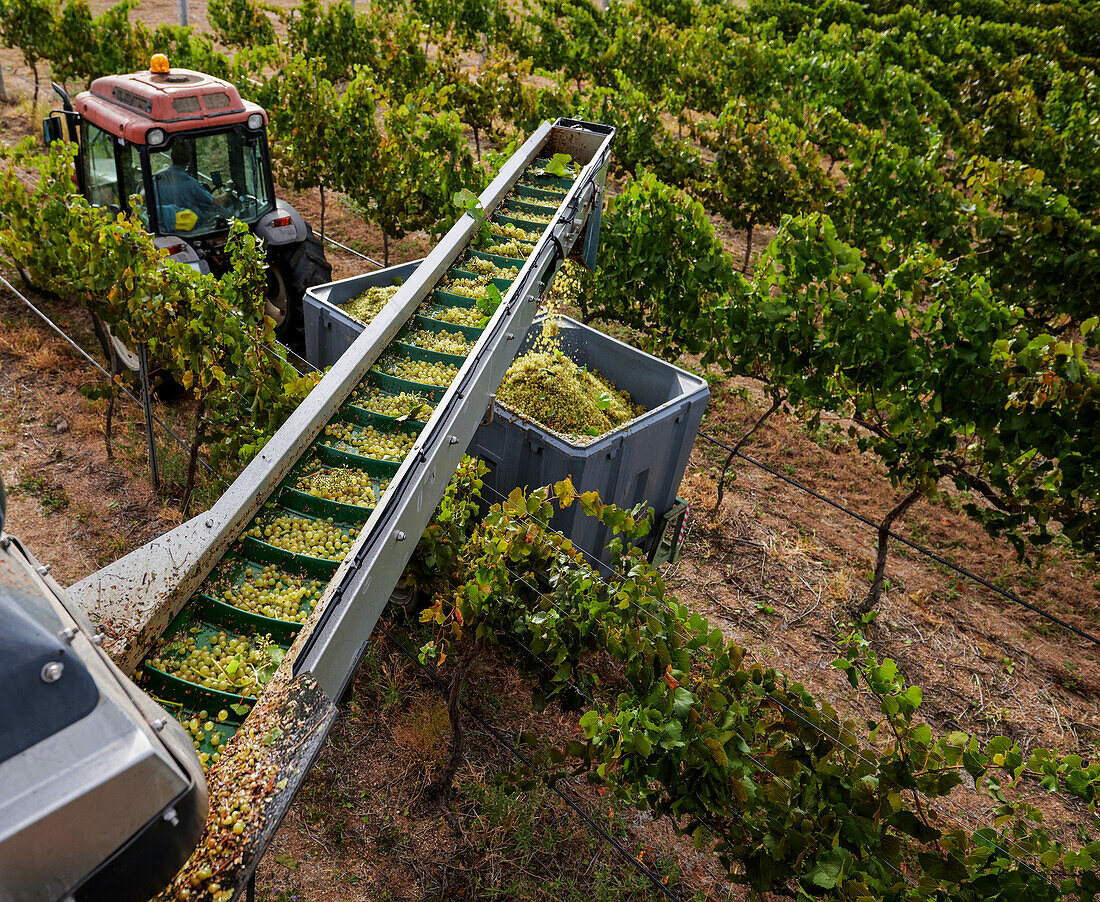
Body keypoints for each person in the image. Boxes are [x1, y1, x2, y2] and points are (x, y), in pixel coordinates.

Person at [155, 142, 221, 228]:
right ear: (189, 160)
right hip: (190, 227)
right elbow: (216, 201)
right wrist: (228, 190)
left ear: (171, 157)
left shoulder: (156, 179)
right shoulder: (190, 183)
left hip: (163, 226)